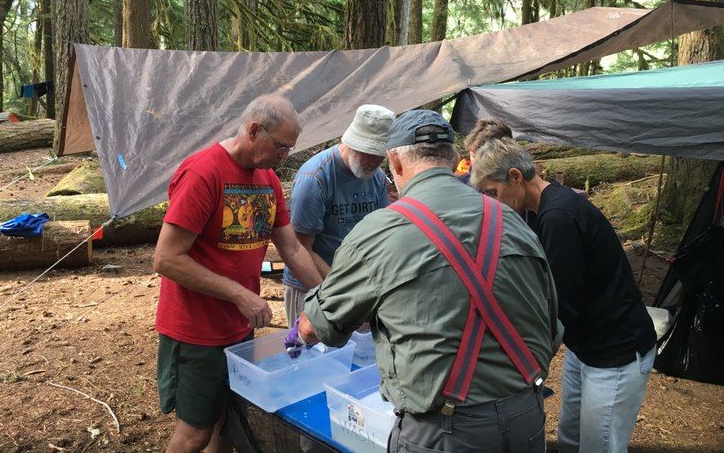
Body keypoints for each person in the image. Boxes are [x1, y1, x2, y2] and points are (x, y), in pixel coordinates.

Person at [287, 110, 562, 453]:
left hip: (444, 432)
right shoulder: (513, 220)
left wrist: (299, 331)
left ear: (395, 164)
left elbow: (317, 327)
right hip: (527, 417)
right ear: (457, 160)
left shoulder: (380, 231)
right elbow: (552, 323)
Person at [153, 94, 323, 453]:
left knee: (228, 426)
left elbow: (292, 248)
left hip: (239, 330)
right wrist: (240, 294)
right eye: (280, 147)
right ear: (253, 130)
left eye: (289, 150)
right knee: (195, 433)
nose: (284, 158)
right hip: (196, 331)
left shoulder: (268, 180)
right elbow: (166, 258)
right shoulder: (203, 173)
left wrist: (327, 296)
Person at [470, 137, 657, 453]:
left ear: (515, 176)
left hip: (617, 351)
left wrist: (511, 352)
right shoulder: (538, 211)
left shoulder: (559, 216)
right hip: (584, 347)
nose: (493, 202)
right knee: (570, 439)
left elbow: (559, 304)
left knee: (600, 446)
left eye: (493, 193)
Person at [283, 103, 395, 327]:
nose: (374, 162)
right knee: (309, 356)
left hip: (355, 288)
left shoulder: (377, 177)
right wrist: (339, 286)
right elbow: (302, 246)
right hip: (311, 284)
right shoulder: (315, 178)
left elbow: (379, 234)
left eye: (380, 156)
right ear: (351, 144)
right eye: (368, 153)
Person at [456, 118, 512, 182]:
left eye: (483, 158)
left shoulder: (515, 183)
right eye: (473, 156)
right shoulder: (461, 183)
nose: (477, 163)